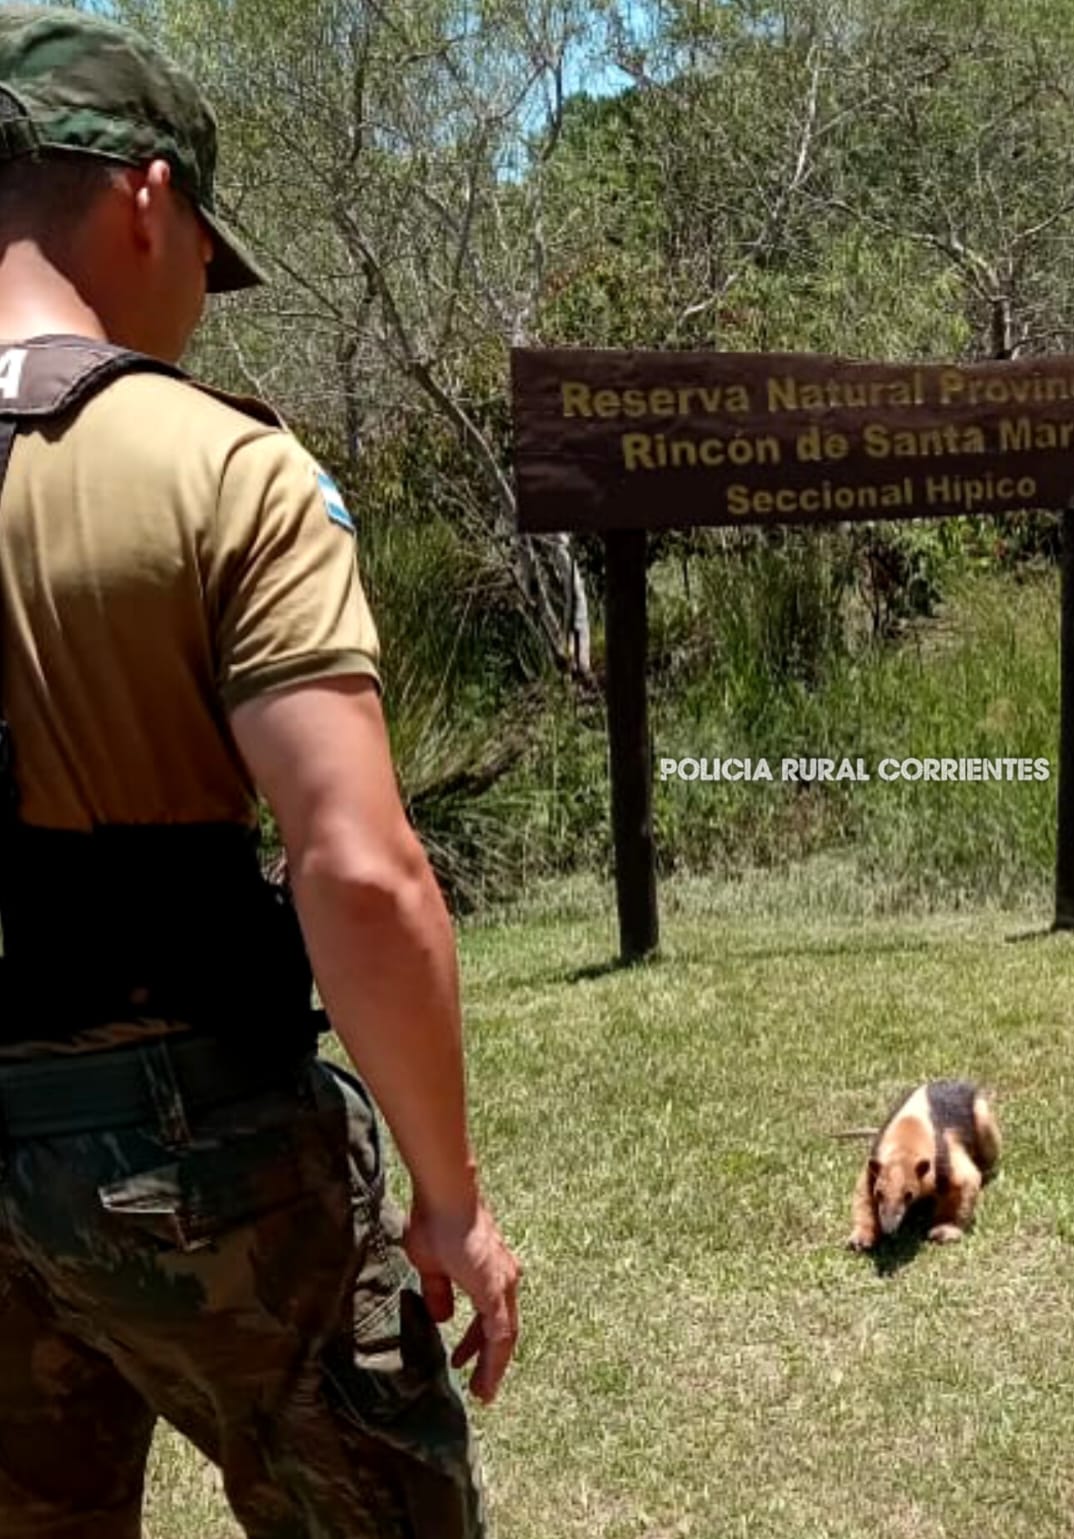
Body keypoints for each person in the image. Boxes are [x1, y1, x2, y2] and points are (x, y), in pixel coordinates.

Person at [0, 8, 519, 1536]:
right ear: (146, 196)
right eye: (201, 261)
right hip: (192, 1135)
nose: (196, 308)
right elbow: (353, 865)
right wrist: (450, 1192)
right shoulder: (217, 465)